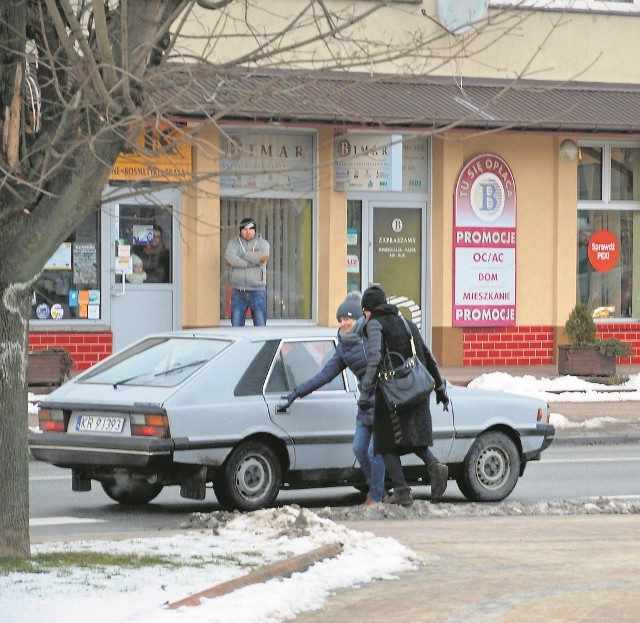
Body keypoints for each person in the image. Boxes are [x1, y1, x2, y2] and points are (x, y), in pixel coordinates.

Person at [279, 292, 386, 505]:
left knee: (375, 451)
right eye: (340, 320)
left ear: (359, 318)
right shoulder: (344, 347)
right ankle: (377, 487)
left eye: (348, 318)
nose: (344, 323)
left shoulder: (372, 335)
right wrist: (297, 392)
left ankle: (376, 495)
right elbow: (325, 375)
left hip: (383, 400)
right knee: (359, 448)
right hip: (366, 403)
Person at [359, 285, 450, 506]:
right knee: (411, 439)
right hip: (417, 390)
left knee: (384, 443)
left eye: (364, 311)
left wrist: (365, 394)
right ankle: (434, 466)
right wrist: (439, 388)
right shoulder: (406, 323)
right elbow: (427, 357)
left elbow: (374, 360)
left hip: (392, 395)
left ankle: (401, 490)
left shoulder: (374, 324)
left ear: (368, 310)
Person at [224, 217, 270, 326]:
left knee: (260, 327)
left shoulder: (263, 243)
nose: (248, 232)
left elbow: (262, 258)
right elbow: (228, 259)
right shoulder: (233, 243)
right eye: (244, 229)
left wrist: (241, 255)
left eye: (250, 229)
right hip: (238, 291)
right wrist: (249, 264)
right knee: (236, 327)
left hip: (257, 291)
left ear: (255, 230)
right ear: (240, 230)